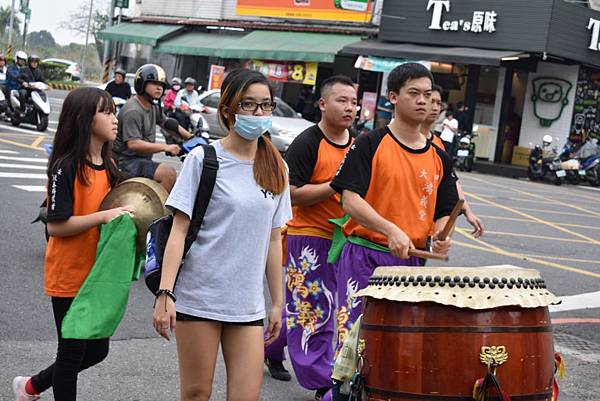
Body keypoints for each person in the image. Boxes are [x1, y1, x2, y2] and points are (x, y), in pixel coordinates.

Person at [152, 68, 292, 401]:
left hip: (247, 305)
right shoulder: (205, 159)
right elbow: (179, 230)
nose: (259, 114)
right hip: (200, 297)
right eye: (249, 105)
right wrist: (165, 293)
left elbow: (274, 239)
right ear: (228, 110)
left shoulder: (277, 167)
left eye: (265, 106)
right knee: (197, 393)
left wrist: (277, 303)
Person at [12, 87, 134, 401]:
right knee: (70, 353)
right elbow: (56, 225)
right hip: (68, 274)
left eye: (113, 111)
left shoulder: (109, 165)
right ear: (83, 119)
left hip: (97, 275)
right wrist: (103, 217)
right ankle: (32, 386)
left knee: (97, 350)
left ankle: (32, 386)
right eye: (105, 112)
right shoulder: (66, 165)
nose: (114, 118)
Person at [330, 63, 459, 359]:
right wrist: (390, 229)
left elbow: (444, 209)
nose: (423, 101)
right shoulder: (369, 144)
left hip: (409, 260)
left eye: (427, 94)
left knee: (396, 339)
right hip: (366, 254)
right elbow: (350, 200)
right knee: (354, 335)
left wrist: (441, 233)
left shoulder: (439, 156)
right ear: (393, 97)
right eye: (413, 93)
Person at [265, 75, 358, 400]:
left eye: (353, 102)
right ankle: (324, 382)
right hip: (309, 240)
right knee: (313, 310)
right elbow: (288, 194)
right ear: (322, 103)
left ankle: (272, 346)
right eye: (342, 100)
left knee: (326, 308)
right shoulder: (308, 142)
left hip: (343, 240)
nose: (350, 108)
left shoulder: (356, 143)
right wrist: (332, 186)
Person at [113, 64, 193, 192]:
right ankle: (158, 212)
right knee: (167, 173)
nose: (159, 88)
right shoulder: (133, 110)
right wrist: (166, 147)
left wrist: (191, 137)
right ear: (141, 84)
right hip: (126, 162)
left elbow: (166, 123)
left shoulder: (152, 106)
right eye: (154, 84)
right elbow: (133, 144)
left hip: (141, 160)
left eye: (161, 85)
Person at [422, 85, 484, 239]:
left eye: (439, 103)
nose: (435, 107)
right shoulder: (402, 140)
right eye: (432, 101)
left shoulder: (439, 144)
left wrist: (467, 211)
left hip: (426, 225)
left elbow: (451, 180)